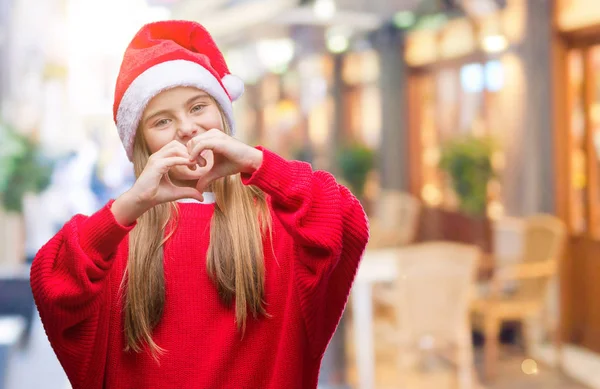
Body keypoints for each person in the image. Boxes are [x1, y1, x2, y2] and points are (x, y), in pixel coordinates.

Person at [30, 20, 369, 389]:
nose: (187, 127)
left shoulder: (275, 222)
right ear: (142, 145)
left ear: (223, 116)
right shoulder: (119, 236)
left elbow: (345, 219)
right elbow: (52, 284)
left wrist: (257, 163)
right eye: (162, 121)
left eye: (198, 106)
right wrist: (127, 208)